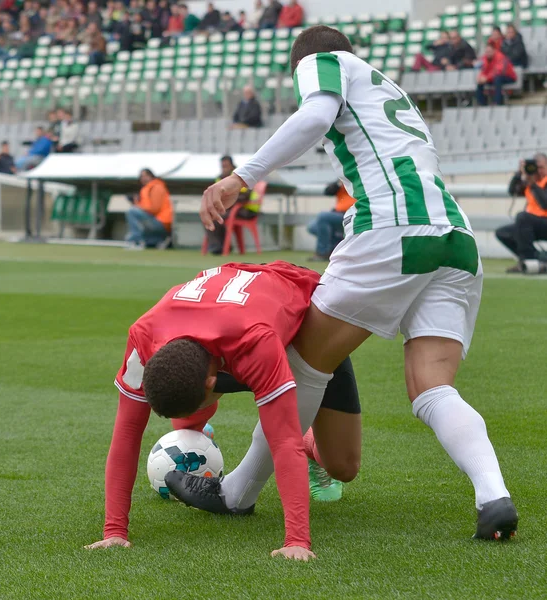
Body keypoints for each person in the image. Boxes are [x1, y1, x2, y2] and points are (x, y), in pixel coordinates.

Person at [193, 26, 517, 556]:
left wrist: (238, 178)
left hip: (391, 228)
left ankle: (235, 494)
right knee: (432, 387)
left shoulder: (323, 61)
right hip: (455, 239)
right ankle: (493, 496)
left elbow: (316, 115)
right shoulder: (390, 88)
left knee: (303, 365)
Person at [84, 260, 361, 559]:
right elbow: (126, 434)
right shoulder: (143, 338)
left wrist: (297, 540)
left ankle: (312, 445)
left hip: (305, 331)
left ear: (212, 384)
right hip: (224, 328)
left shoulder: (256, 344)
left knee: (342, 466)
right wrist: (114, 531)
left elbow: (283, 442)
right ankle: (205, 422)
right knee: (185, 420)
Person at [496, 154, 547, 274]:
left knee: (522, 217)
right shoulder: (530, 182)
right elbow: (512, 190)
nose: (538, 171)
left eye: (541, 167)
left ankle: (529, 261)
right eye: (535, 167)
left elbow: (545, 204)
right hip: (532, 225)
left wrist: (533, 184)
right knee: (503, 233)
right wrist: (519, 173)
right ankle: (537, 259)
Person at [204, 155, 260, 255]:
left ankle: (221, 246)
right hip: (231, 209)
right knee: (210, 215)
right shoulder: (219, 178)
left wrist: (228, 199)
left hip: (247, 209)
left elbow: (245, 195)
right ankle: (218, 246)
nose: (224, 168)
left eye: (226, 165)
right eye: (223, 166)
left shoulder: (239, 176)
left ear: (231, 165)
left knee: (219, 216)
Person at [307, 181, 355, 262]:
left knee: (323, 216)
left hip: (351, 215)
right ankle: (333, 248)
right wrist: (338, 184)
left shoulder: (358, 179)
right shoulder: (342, 180)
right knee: (312, 227)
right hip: (337, 213)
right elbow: (328, 192)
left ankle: (322, 253)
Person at [125, 168, 172, 249]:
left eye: (145, 176)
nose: (143, 178)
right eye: (141, 176)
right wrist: (137, 202)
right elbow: (147, 206)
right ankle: (157, 241)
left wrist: (138, 206)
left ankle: (136, 241)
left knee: (132, 211)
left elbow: (154, 209)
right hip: (156, 221)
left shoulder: (157, 187)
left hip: (162, 222)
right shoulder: (146, 188)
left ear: (151, 176)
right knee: (149, 242)